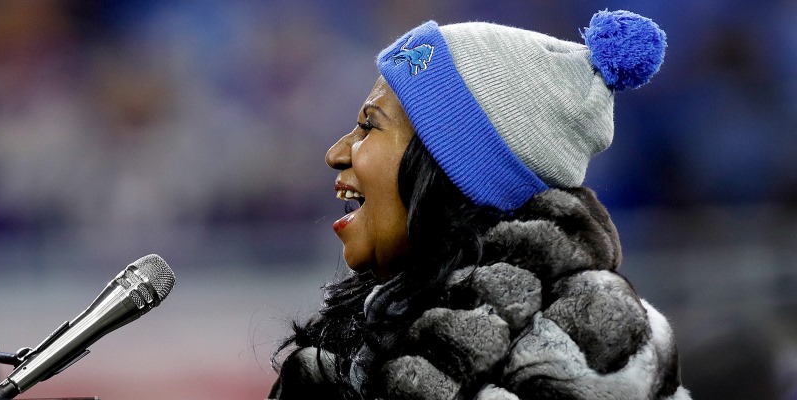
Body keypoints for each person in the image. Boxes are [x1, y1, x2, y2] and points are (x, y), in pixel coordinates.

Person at [268, 9, 690, 400]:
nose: (337, 153)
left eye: (369, 126)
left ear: (450, 168)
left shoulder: (586, 349)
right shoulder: (364, 335)